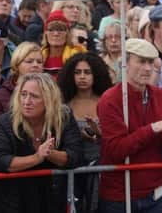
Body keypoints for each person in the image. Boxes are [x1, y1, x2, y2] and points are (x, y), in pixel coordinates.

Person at [98, 38, 162, 212]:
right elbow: (116, 150)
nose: (147, 68)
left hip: (156, 193)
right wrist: (153, 129)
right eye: (141, 61)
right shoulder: (110, 100)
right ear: (125, 64)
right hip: (119, 196)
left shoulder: (161, 96)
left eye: (150, 62)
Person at [0, 73, 83, 213]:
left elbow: (75, 156)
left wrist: (50, 153)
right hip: (14, 200)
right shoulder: (6, 122)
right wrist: (37, 157)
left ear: (49, 100)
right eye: (23, 94)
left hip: (52, 199)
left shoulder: (64, 118)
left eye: (34, 96)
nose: (26, 101)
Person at [58, 52, 113, 213]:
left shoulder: (106, 101)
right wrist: (76, 135)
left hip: (103, 169)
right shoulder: (63, 104)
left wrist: (100, 133)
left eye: (87, 72)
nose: (82, 77)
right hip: (73, 171)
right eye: (77, 72)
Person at [0, 42, 43, 123]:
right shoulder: (0, 96)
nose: (36, 65)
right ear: (17, 65)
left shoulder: (51, 90)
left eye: (39, 62)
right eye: (29, 61)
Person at [41, 9, 85, 78]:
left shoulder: (76, 56)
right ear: (45, 33)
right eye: (51, 30)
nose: (56, 34)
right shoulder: (39, 57)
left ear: (67, 34)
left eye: (60, 29)